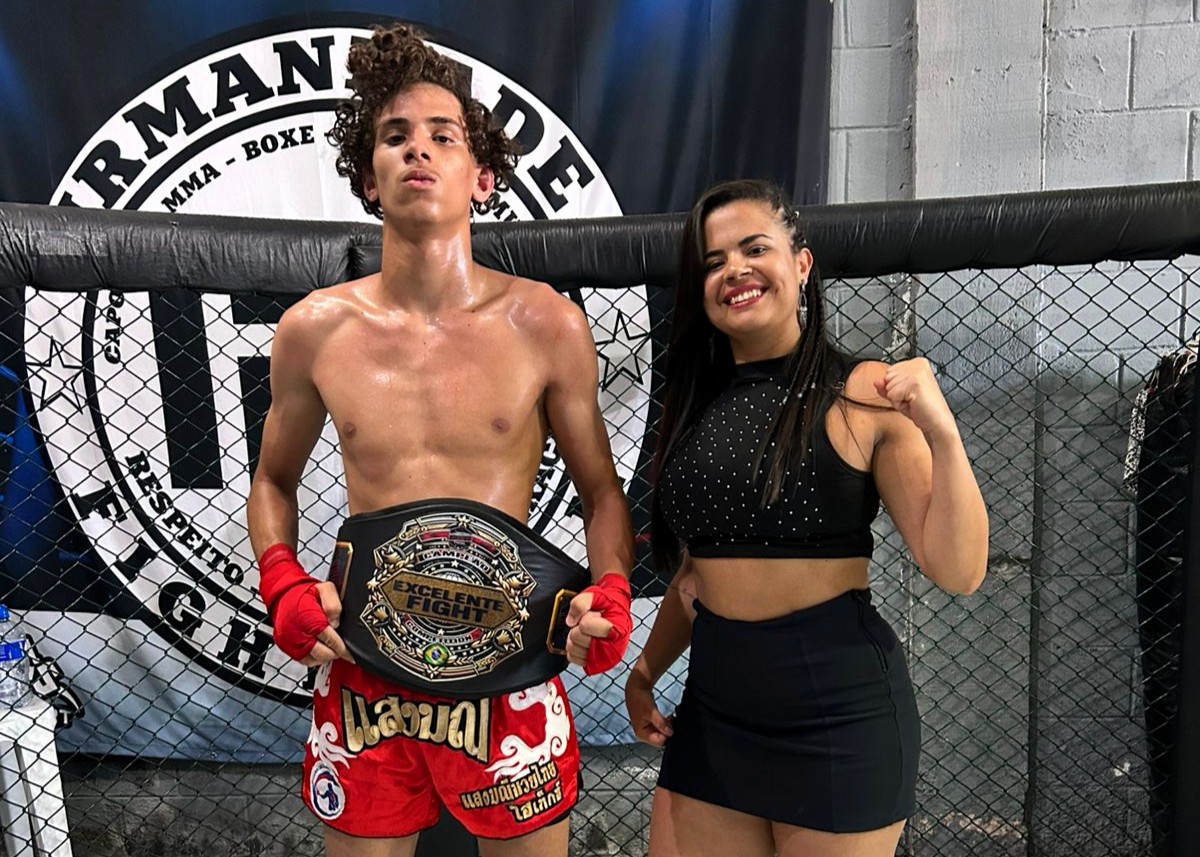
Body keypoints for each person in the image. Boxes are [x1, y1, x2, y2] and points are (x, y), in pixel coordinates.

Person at [246, 24, 634, 857]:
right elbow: (272, 480)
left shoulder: (547, 324)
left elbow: (602, 491)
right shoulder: (313, 330)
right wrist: (281, 583)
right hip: (365, 671)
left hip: (509, 665)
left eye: (442, 136)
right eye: (395, 136)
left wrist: (609, 592)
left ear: (482, 176)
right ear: (369, 177)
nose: (417, 149)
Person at [625, 179, 989, 857]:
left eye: (754, 248)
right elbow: (697, 574)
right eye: (713, 261)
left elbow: (959, 570)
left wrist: (943, 433)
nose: (734, 269)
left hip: (838, 720)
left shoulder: (865, 393)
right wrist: (644, 671)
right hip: (715, 715)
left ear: (801, 264)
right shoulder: (696, 407)